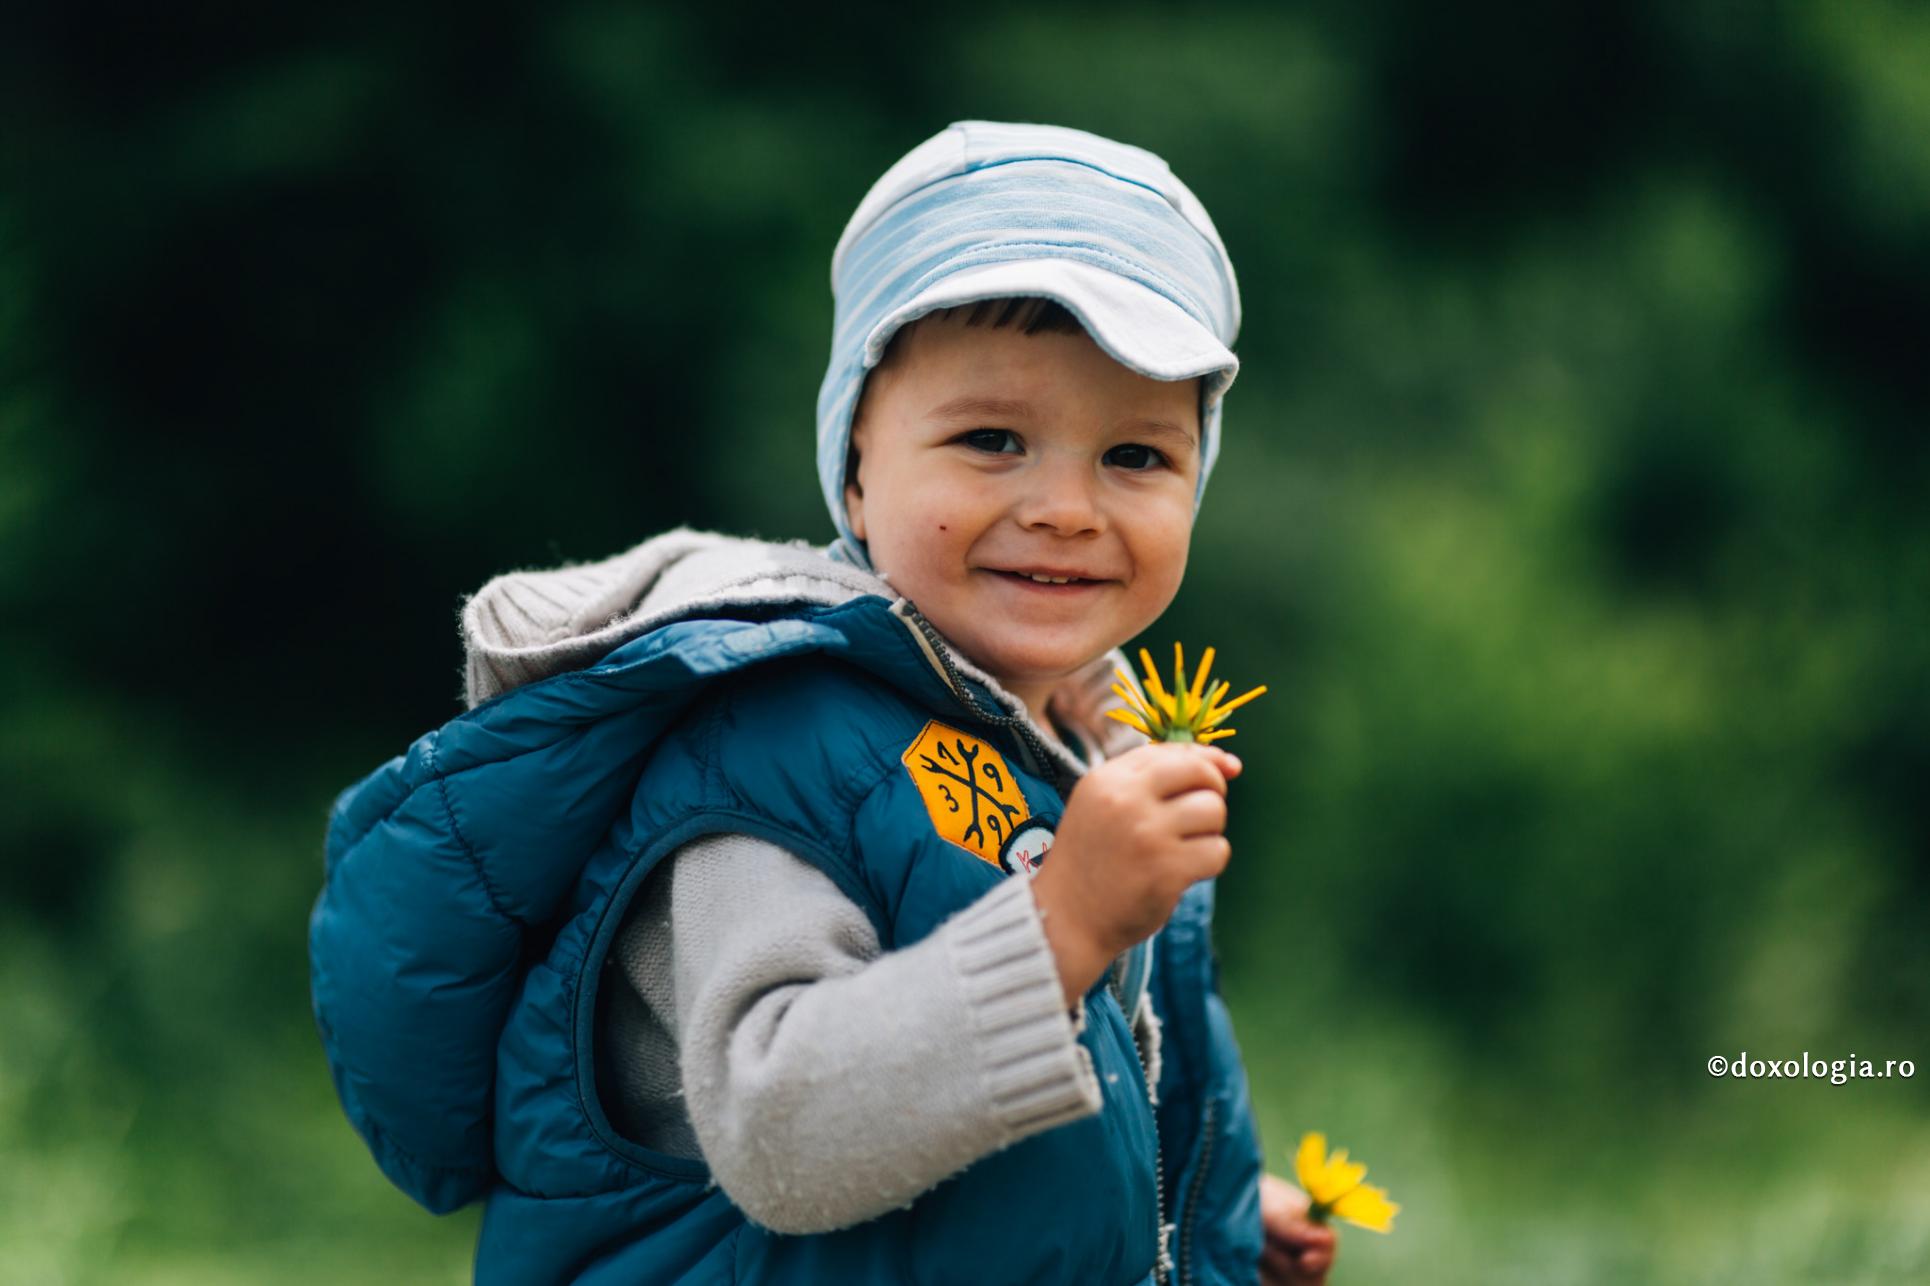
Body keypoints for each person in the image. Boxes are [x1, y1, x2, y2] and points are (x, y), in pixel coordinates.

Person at [310, 120, 1337, 1285]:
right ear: (854, 466)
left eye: (1136, 456)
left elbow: (1068, 1081)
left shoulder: (1093, 746)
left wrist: (1188, 1203)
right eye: (992, 438)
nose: (1065, 507)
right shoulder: (773, 743)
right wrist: (1059, 927)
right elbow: (779, 1130)